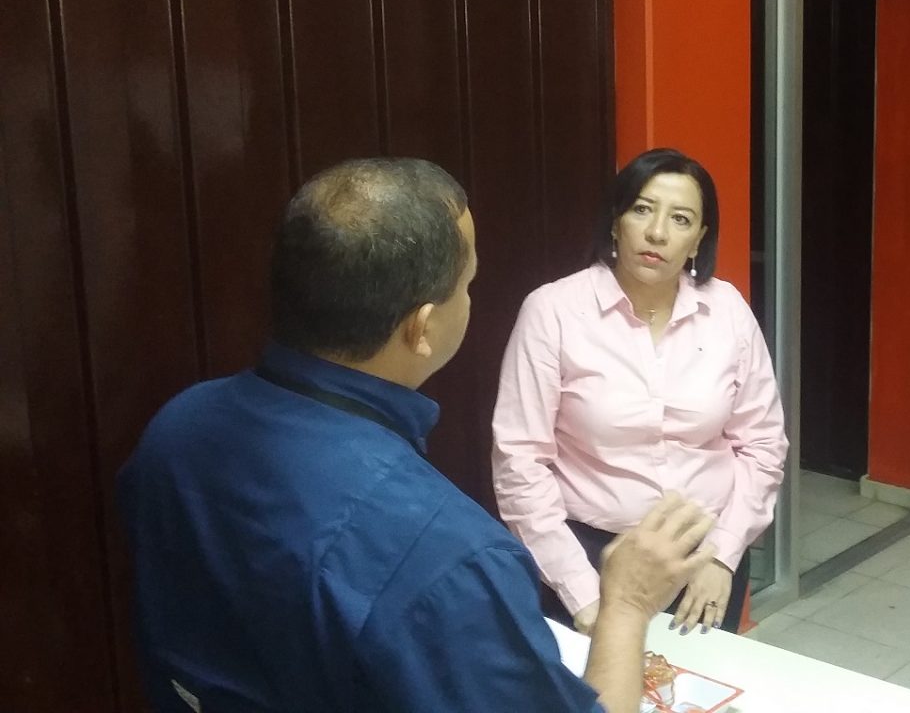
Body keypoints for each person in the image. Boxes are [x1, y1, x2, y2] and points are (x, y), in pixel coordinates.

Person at [118, 158, 714, 713]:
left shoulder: (177, 428)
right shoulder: (448, 555)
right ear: (422, 327)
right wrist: (626, 605)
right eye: (468, 284)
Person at [493, 148, 788, 637]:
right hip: (591, 557)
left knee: (699, 682)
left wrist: (723, 555)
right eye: (642, 210)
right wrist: (582, 593)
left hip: (705, 559)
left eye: (680, 219)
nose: (657, 233)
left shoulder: (728, 310)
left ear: (698, 239)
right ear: (616, 222)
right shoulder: (553, 311)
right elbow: (519, 461)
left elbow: (763, 443)